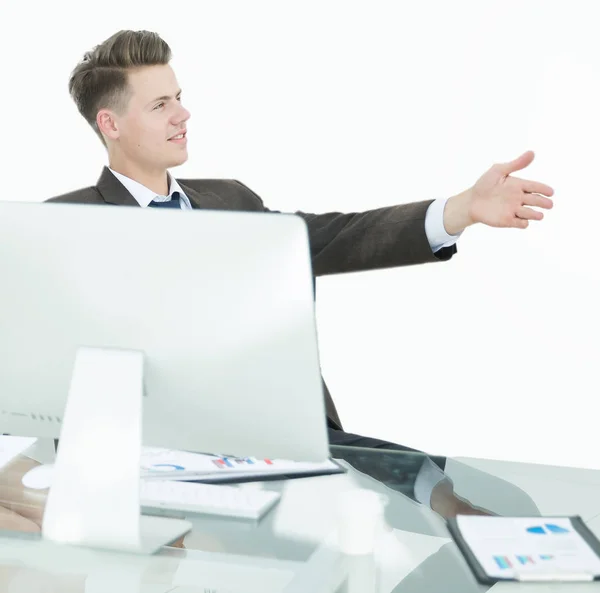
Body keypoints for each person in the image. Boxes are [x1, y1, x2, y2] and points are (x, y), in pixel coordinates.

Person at [46, 30, 553, 517]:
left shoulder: (232, 200)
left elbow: (335, 238)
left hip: (285, 439)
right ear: (110, 124)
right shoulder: (64, 224)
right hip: (150, 454)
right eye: (160, 105)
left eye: (178, 97)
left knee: (458, 502)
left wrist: (461, 209)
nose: (183, 114)